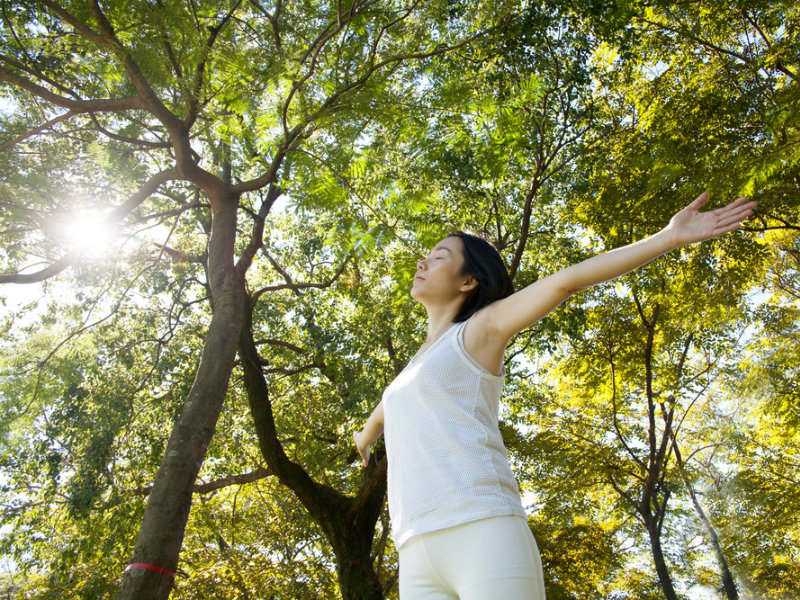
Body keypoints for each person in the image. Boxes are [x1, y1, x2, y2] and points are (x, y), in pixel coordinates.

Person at [353, 192, 756, 600]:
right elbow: (392, 401)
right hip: (415, 548)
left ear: (468, 280)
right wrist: (366, 433)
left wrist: (668, 238)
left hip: (482, 529)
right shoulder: (417, 365)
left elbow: (565, 282)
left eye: (439, 256)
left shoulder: (480, 330)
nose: (423, 262)